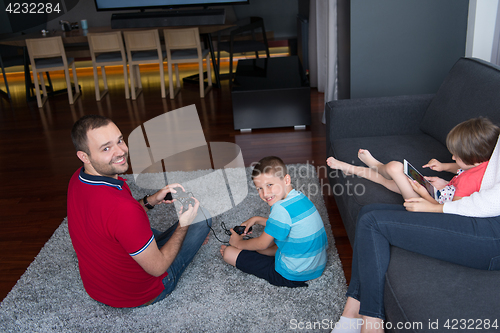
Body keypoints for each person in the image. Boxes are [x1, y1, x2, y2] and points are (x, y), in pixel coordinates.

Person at [331, 132, 500, 333]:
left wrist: (435, 207)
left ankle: (371, 323)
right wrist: (445, 182)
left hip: (489, 231)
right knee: (367, 213)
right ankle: (352, 313)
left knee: (372, 222)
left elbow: (491, 200)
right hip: (476, 216)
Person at [67, 115, 212, 308]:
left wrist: (152, 200)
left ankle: (152, 246)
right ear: (83, 156)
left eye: (119, 140)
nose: (120, 151)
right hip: (139, 294)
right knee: (202, 218)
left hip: (96, 286)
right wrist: (184, 225)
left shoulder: (77, 178)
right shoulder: (123, 210)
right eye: (106, 148)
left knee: (136, 229)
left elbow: (111, 220)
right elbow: (158, 268)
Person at [327, 117, 500, 204]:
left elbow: (451, 210)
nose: (453, 157)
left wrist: (425, 193)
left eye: (458, 156)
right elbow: (461, 169)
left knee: (395, 168)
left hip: (428, 202)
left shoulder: (471, 180)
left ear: (476, 160)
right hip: (438, 190)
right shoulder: (485, 165)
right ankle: (358, 167)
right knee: (390, 178)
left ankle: (369, 165)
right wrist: (443, 167)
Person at [219, 156, 328, 287]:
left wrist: (238, 243)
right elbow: (287, 223)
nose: (265, 193)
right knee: (270, 243)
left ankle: (238, 248)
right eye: (259, 188)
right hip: (316, 266)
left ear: (286, 179)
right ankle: (250, 248)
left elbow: (261, 244)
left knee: (229, 253)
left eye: (269, 185)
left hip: (292, 275)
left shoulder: (280, 209)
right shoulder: (299, 197)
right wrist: (257, 219)